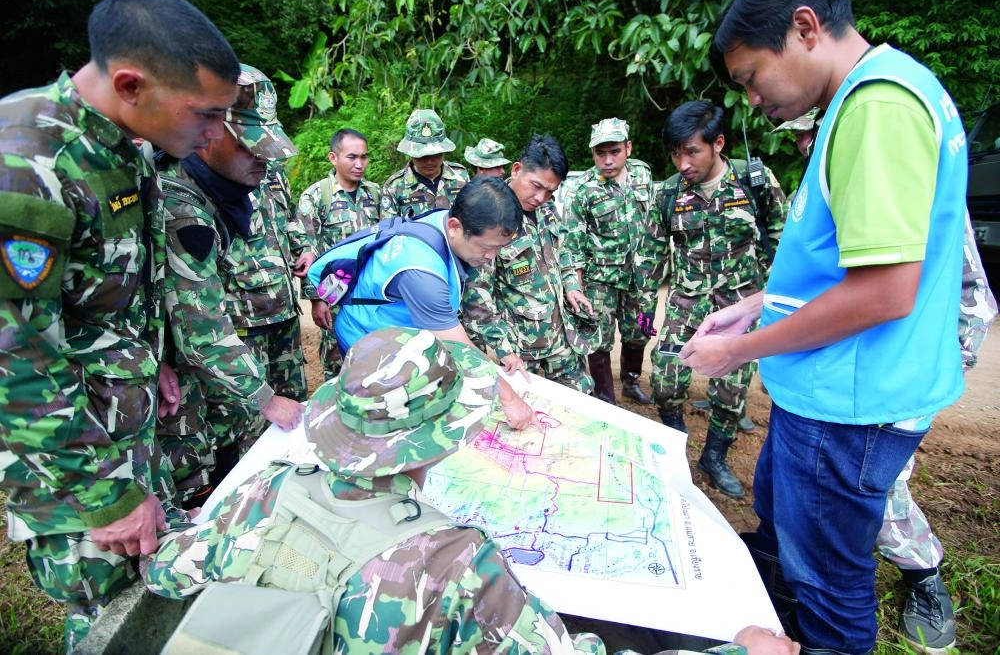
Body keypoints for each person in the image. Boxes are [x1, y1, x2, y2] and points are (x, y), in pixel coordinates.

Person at [145, 327, 799, 655]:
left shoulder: (267, 486)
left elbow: (173, 570)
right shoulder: (451, 561)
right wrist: (739, 650)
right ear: (438, 436)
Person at [684, 0, 969, 652]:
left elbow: (884, 293)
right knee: (789, 545)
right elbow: (851, 257)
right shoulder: (869, 98)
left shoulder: (878, 108)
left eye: (752, 77)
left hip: (849, 402)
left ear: (805, 28)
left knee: (828, 588)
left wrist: (740, 351)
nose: (751, 100)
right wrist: (761, 304)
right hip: (832, 390)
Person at [0, 0, 239, 647]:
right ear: (132, 85)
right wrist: (102, 492)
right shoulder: (26, 162)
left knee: (150, 594)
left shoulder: (124, 145)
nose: (216, 135)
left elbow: (114, 284)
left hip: (127, 432)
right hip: (73, 465)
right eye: (208, 115)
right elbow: (14, 361)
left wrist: (154, 357)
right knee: (111, 624)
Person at [771, 108, 998, 653]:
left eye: (811, 131)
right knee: (803, 491)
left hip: (893, 383)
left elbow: (970, 297)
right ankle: (800, 585)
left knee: (880, 493)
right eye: (800, 136)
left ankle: (923, 575)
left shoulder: (892, 173)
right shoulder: (834, 177)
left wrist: (913, 389)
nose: (805, 144)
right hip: (833, 379)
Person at [156, 65, 305, 508]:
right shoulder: (183, 207)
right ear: (211, 132)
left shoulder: (226, 190)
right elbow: (199, 329)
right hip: (178, 387)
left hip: (242, 344)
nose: (264, 158)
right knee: (212, 482)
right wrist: (264, 399)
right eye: (250, 147)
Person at [640, 101, 786, 500]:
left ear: (718, 143)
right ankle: (675, 445)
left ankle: (714, 457)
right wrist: (642, 309)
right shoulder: (668, 193)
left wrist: (771, 301)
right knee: (666, 379)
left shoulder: (753, 181)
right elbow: (652, 253)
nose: (682, 162)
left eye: (692, 151)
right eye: (675, 153)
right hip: (686, 302)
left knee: (730, 389)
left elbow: (781, 241)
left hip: (739, 304)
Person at [324, 176, 537, 430]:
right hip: (370, 346)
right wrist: (509, 398)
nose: (491, 257)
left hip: (398, 333)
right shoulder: (421, 272)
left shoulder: (443, 221)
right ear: (456, 226)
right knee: (393, 426)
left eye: (499, 248)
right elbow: (459, 347)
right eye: (486, 247)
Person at [206, 70, 310, 455]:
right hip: (242, 323)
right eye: (252, 144)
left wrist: (303, 247)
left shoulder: (272, 171)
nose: (262, 156)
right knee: (249, 426)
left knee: (295, 410)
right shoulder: (195, 189)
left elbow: (290, 219)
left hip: (282, 308)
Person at [463, 135, 597, 394]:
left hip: (563, 338)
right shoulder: (490, 215)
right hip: (523, 351)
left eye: (550, 192)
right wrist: (504, 350)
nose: (540, 197)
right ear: (516, 170)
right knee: (533, 418)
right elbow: (477, 298)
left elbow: (564, 251)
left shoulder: (547, 209)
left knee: (580, 403)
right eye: (536, 186)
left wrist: (572, 287)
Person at [566, 118, 655, 405]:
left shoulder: (643, 174)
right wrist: (576, 286)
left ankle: (630, 381)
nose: (607, 160)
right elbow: (573, 241)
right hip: (600, 280)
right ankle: (606, 398)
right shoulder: (583, 188)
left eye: (614, 151)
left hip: (639, 279)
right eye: (600, 153)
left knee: (639, 331)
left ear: (628, 148)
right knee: (599, 339)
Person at [297, 128, 381, 379]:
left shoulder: (375, 194)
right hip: (334, 295)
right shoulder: (316, 196)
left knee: (377, 359)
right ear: (333, 158)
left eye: (364, 157)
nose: (359, 164)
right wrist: (316, 299)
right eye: (352, 157)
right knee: (338, 364)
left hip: (371, 294)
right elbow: (305, 247)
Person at [380, 108, 469, 218]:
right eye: (422, 156)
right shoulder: (395, 186)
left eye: (436, 154)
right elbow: (388, 230)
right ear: (411, 153)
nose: (429, 161)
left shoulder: (460, 176)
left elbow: (473, 217)